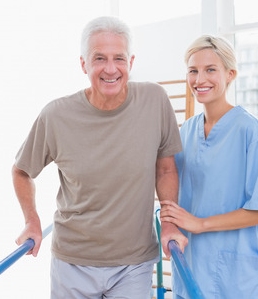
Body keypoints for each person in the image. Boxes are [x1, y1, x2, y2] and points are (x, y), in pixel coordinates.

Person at [12, 16, 187, 299]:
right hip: (72, 262)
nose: (110, 69)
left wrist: (168, 223)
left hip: (134, 262)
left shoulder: (155, 100)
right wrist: (31, 220)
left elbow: (166, 169)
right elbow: (21, 171)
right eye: (99, 58)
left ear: (130, 62)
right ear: (83, 64)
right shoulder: (56, 115)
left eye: (119, 58)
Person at [160, 35, 258, 299]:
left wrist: (200, 223)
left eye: (210, 70)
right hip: (192, 265)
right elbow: (173, 184)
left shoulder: (250, 130)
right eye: (193, 70)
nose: (199, 79)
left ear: (230, 74)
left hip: (237, 275)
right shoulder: (188, 131)